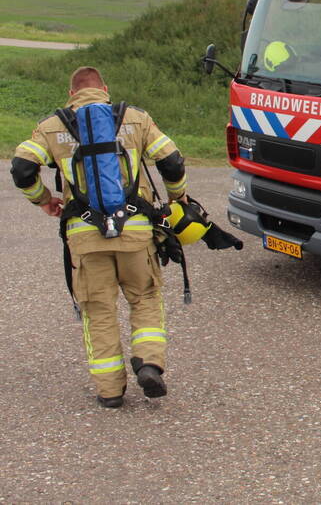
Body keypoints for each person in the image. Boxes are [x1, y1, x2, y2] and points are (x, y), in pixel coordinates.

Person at [9, 67, 188, 408]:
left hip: (86, 238)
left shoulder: (52, 127)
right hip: (136, 235)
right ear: (105, 90)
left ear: (70, 93)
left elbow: (21, 169)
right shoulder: (135, 118)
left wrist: (44, 199)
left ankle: (110, 391)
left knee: (99, 312)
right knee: (146, 298)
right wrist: (178, 198)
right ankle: (149, 363)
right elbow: (173, 162)